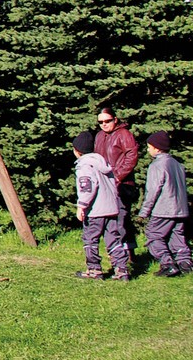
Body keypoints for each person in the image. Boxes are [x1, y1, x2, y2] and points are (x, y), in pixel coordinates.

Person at [73, 131, 130, 281]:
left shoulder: (84, 166)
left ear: (77, 151)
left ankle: (94, 269)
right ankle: (122, 269)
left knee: (90, 240)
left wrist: (81, 206)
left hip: (95, 211)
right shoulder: (104, 164)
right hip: (111, 209)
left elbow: (87, 188)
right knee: (113, 240)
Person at [137, 131, 191, 277]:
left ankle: (167, 264)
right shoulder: (177, 164)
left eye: (149, 147)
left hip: (164, 208)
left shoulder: (157, 165)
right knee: (177, 235)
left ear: (157, 148)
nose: (148, 150)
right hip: (181, 209)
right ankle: (185, 263)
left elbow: (153, 190)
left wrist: (144, 211)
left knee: (153, 234)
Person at [94, 106, 140, 251]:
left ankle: (128, 252)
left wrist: (117, 176)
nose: (104, 124)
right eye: (100, 122)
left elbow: (131, 157)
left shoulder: (124, 134)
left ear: (115, 119)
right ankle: (116, 251)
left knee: (122, 218)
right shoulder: (99, 136)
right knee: (111, 219)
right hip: (105, 184)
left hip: (122, 184)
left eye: (107, 121)